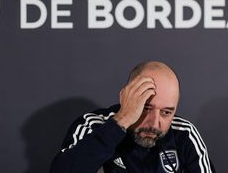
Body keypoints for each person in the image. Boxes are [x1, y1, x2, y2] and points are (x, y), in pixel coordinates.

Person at [50, 61, 216, 173]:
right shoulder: (94, 126)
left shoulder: (184, 133)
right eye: (146, 108)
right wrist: (121, 120)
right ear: (127, 98)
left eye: (166, 112)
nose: (154, 123)